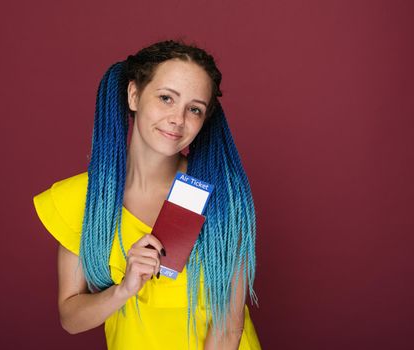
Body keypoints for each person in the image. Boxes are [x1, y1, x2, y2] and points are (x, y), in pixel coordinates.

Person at [32, 39, 261, 350]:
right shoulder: (83, 199)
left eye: (194, 109)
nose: (178, 119)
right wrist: (123, 289)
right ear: (134, 95)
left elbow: (228, 329)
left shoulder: (223, 197)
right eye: (166, 98)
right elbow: (71, 318)